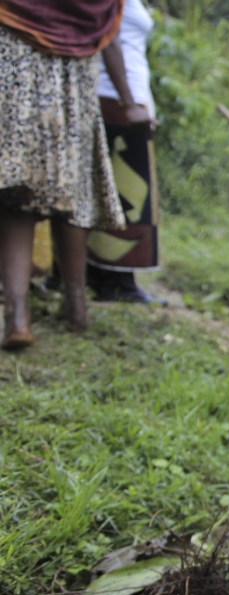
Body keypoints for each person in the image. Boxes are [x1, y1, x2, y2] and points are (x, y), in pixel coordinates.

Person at [0, 0, 151, 349]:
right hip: (75, 74)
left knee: (18, 193)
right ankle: (75, 306)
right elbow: (108, 36)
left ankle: (17, 317)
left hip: (16, 63)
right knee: (75, 188)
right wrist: (129, 102)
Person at [87, 0, 165, 305]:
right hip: (113, 97)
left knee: (123, 192)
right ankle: (115, 281)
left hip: (127, 99)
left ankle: (107, 277)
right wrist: (129, 103)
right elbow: (109, 39)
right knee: (124, 195)